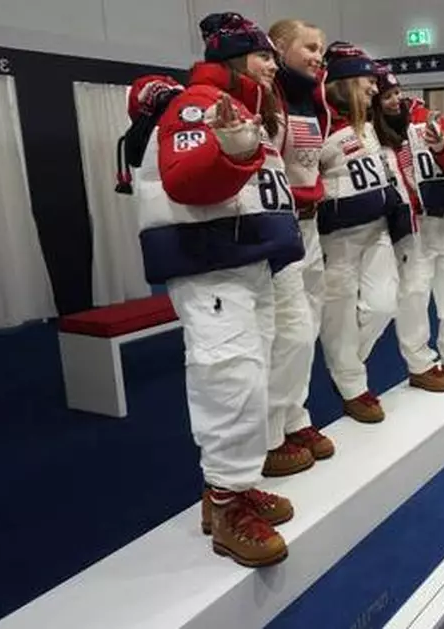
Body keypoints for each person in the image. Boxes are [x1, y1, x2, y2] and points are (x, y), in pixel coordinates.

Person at [128, 11, 305, 568]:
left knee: (252, 373)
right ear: (233, 57)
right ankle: (227, 507)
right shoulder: (199, 102)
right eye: (262, 55)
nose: (272, 64)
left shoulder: (245, 106)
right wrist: (229, 150)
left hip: (244, 257)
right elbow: (185, 181)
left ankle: (231, 487)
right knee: (230, 375)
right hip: (209, 264)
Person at [372, 67, 444, 393]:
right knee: (414, 294)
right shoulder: (370, 130)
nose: (395, 100)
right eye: (385, 95)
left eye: (396, 92)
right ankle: (420, 364)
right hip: (410, 228)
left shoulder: (425, 117)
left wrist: (441, 145)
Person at [260, 18, 335, 476]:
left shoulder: (314, 95)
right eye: (308, 47)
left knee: (307, 330)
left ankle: (294, 418)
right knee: (287, 333)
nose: (316, 56)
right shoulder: (266, 96)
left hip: (310, 226)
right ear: (279, 46)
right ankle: (267, 436)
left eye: (320, 49)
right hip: (279, 227)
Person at [316, 42, 404, 422]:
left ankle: (348, 361)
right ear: (346, 81)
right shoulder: (318, 124)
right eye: (368, 80)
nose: (374, 87)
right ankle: (352, 384)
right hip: (336, 237)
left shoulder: (367, 125)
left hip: (377, 228)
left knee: (384, 303)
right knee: (337, 315)